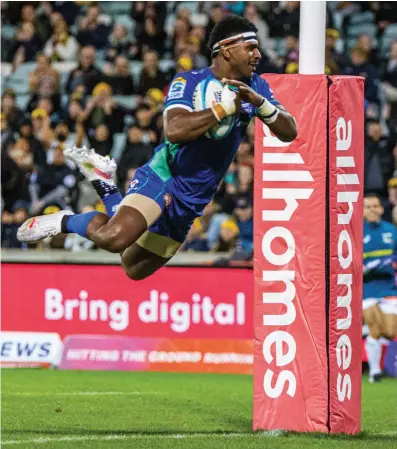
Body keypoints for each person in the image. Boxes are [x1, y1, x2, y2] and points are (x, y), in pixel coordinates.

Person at [17, 15, 297, 281]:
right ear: (226, 50)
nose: (257, 55)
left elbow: (290, 132)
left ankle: (107, 188)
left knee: (133, 266)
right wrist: (226, 107)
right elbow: (174, 130)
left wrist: (261, 103)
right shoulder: (189, 81)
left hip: (193, 198)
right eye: (250, 48)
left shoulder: (256, 86)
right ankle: (64, 221)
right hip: (166, 176)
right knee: (114, 238)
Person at [363, 193, 397, 383]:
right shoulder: (356, 232)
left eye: (375, 206)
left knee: (390, 331)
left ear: (381, 209)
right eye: (368, 207)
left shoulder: (391, 231)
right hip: (367, 288)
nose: (372, 210)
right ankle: (375, 371)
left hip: (388, 287)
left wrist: (390, 263)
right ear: (362, 211)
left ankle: (362, 332)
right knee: (375, 327)